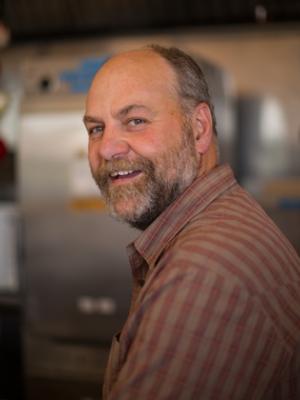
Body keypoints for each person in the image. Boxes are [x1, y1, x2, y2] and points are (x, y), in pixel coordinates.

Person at [84, 44, 300, 400]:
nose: (107, 148)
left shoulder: (202, 272)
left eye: (135, 121)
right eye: (95, 129)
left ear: (199, 128)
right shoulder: (224, 219)